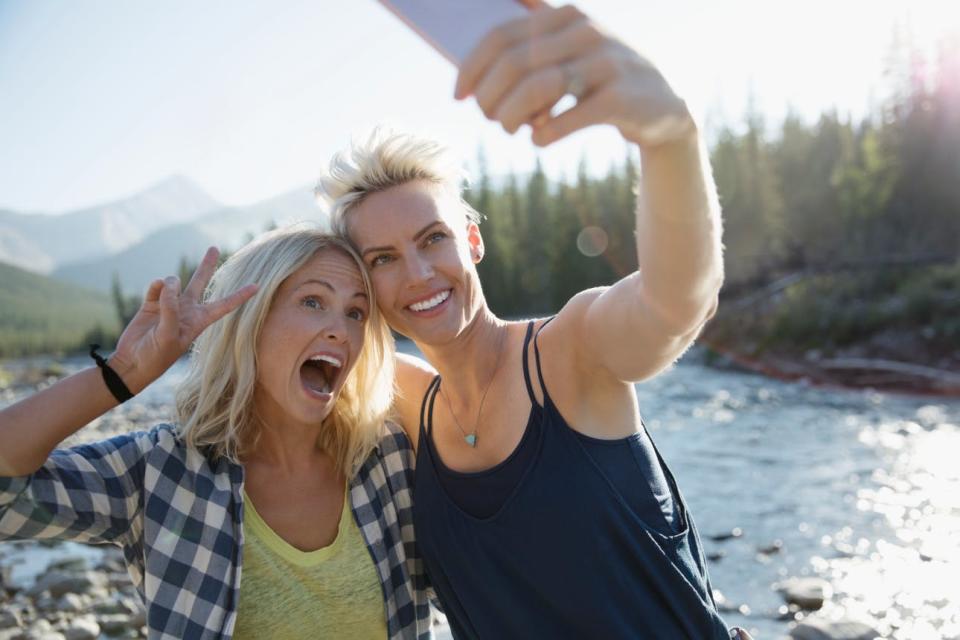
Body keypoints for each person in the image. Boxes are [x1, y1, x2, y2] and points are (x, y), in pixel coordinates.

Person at [317, 3, 750, 639]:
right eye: (383, 259)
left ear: (472, 240)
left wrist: (669, 136)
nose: (416, 274)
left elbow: (672, 305)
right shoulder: (407, 398)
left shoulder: (568, 353)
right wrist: (134, 370)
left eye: (432, 239)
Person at [0, 229, 432, 639]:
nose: (340, 329)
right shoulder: (163, 472)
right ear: (251, 321)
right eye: (313, 302)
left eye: (356, 312)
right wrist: (124, 373)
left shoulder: (388, 459)